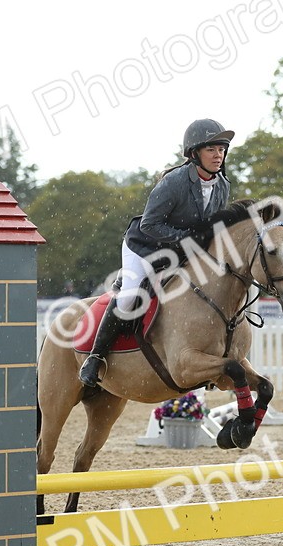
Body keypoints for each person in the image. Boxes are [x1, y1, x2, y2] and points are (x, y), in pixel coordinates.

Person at [78, 118, 233, 387]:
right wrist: (185, 239)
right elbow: (150, 224)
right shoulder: (174, 182)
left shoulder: (222, 185)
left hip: (181, 250)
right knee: (129, 296)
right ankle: (95, 358)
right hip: (144, 246)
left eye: (221, 149)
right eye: (211, 149)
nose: (218, 155)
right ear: (195, 153)